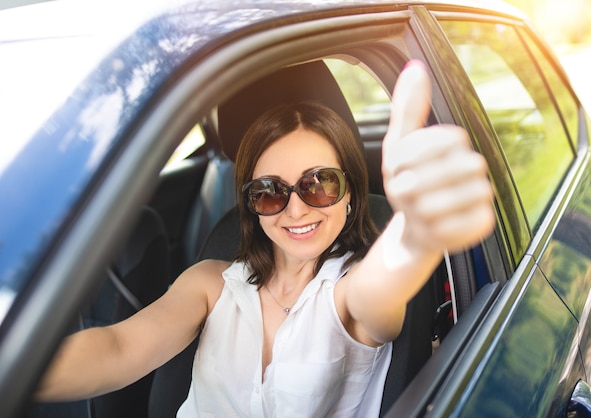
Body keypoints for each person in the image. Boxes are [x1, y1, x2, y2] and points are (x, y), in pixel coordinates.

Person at [36, 61, 494, 416]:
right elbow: (117, 349)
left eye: (320, 183)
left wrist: (416, 233)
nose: (296, 208)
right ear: (251, 206)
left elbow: (382, 286)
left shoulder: (347, 293)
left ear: (351, 192)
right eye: (270, 192)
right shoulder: (210, 284)